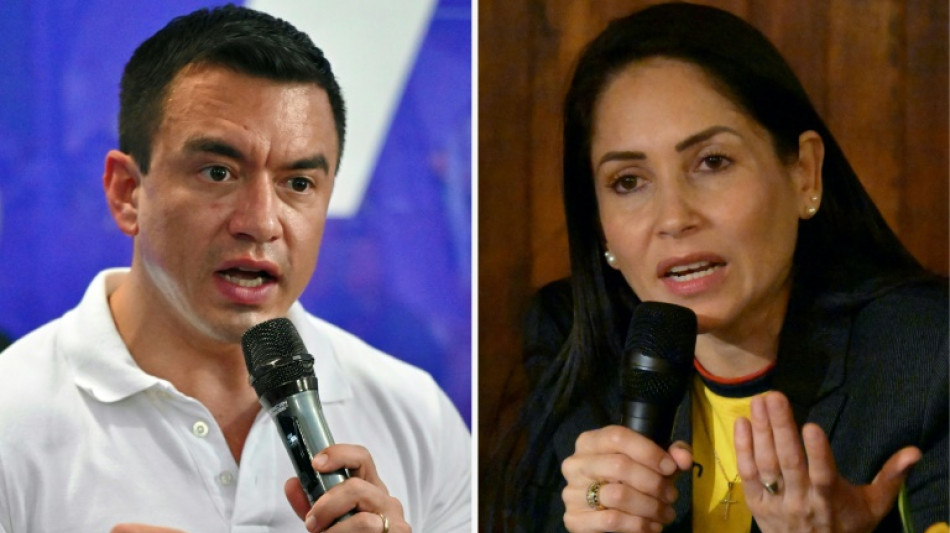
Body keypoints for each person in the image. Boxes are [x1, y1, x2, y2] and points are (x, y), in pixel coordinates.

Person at [0, 5, 470, 533]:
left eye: (298, 184)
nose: (261, 223)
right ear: (128, 193)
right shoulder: (11, 416)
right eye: (218, 172)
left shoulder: (418, 419)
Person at [484, 3, 947, 532]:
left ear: (805, 174)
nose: (673, 218)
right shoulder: (577, 351)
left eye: (712, 162)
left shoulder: (930, 358)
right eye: (628, 182)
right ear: (601, 228)